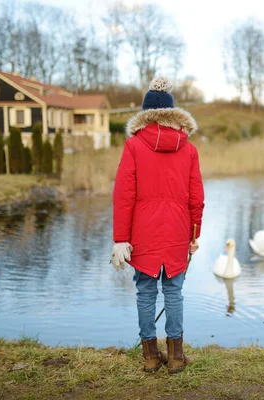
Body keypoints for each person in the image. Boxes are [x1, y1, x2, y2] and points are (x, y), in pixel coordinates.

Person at [111, 77, 204, 374]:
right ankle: (176, 356)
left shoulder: (133, 145)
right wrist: (193, 235)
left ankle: (151, 356)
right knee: (174, 291)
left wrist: (120, 239)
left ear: (145, 114)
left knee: (145, 292)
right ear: (174, 115)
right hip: (177, 229)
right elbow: (197, 198)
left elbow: (123, 196)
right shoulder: (189, 150)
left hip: (143, 231)